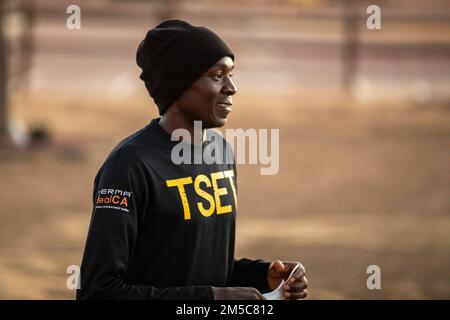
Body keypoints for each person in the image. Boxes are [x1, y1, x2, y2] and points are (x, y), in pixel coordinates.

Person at [76, 19, 308, 300]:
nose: (232, 87)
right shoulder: (130, 166)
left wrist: (262, 276)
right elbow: (98, 292)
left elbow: (196, 266)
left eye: (232, 73)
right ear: (179, 84)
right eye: (217, 75)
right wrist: (211, 300)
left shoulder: (220, 153)